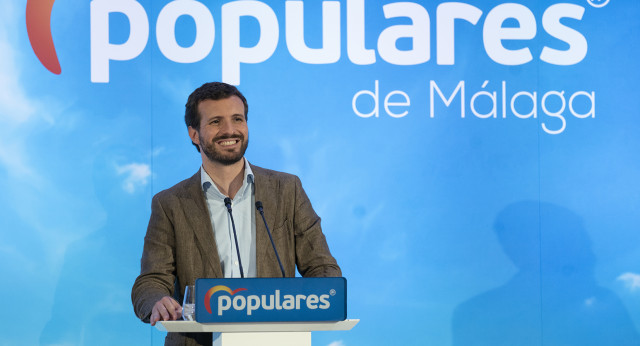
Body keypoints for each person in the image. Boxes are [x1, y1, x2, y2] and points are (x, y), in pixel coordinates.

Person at [131, 82, 341, 346]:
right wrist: (157, 301)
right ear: (194, 134)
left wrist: (326, 295)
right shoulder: (170, 203)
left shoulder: (287, 190)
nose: (229, 130)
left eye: (237, 119)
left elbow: (322, 267)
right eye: (216, 122)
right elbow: (150, 282)